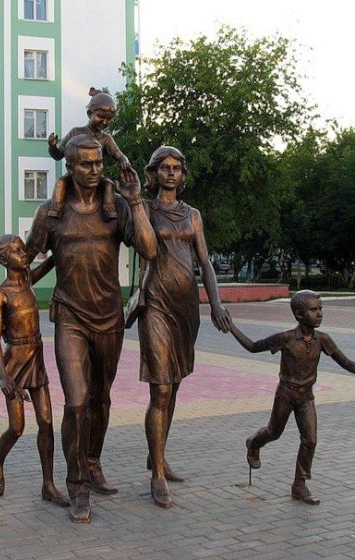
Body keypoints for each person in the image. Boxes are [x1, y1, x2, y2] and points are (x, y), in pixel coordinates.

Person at [26, 134, 157, 523]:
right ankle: (77, 483)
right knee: (77, 401)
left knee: (101, 399)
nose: (95, 169)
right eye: (86, 164)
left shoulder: (116, 207)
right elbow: (27, 256)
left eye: (99, 163)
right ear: (69, 166)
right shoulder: (51, 213)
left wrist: (136, 200)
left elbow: (149, 249)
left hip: (108, 316)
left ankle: (93, 460)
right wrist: (8, 290)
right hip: (70, 316)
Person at [229, 290, 355, 505]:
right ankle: (254, 442)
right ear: (299, 314)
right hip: (285, 395)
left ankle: (299, 484)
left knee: (310, 440)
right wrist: (231, 326)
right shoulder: (286, 338)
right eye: (314, 310)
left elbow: (345, 362)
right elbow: (252, 347)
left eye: (320, 309)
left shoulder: (323, 340)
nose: (320, 314)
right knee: (274, 432)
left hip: (306, 397)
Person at [137, 146, 231, 508]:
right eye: (165, 167)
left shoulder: (193, 215)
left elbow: (205, 263)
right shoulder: (145, 209)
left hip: (186, 307)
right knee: (160, 388)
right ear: (154, 172)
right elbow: (141, 247)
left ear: (183, 174)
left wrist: (216, 303)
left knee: (173, 384)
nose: (171, 172)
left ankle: (157, 456)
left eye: (176, 167)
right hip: (156, 303)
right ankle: (157, 475)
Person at [0, 235, 68, 507]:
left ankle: (48, 485)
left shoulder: (28, 281)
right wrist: (4, 376)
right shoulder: (1, 294)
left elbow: (52, 261)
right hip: (14, 363)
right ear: (5, 260)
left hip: (36, 358)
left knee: (47, 422)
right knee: (17, 428)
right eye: (17, 251)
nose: (24, 254)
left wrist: (61, 239)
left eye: (22, 249)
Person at [47, 88, 132, 222]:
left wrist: (123, 160)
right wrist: (52, 146)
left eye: (109, 119)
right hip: (76, 176)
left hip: (96, 176)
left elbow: (119, 154)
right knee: (61, 182)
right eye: (101, 117)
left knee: (109, 184)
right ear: (89, 114)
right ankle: (56, 209)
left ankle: (109, 210)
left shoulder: (106, 139)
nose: (105, 122)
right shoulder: (75, 133)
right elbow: (58, 155)